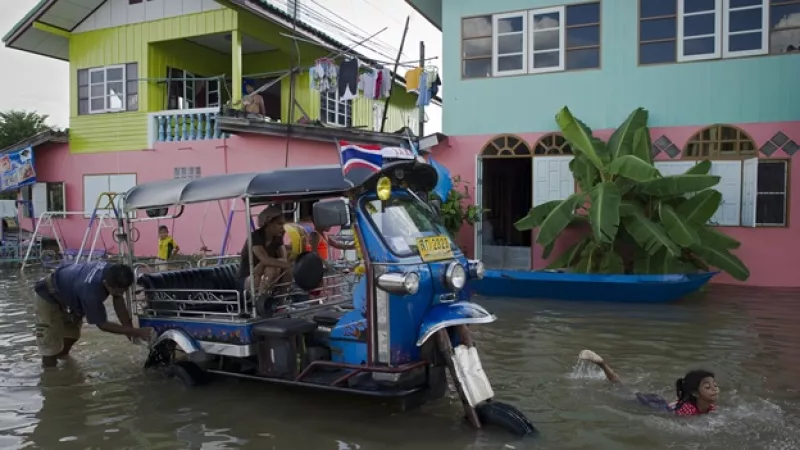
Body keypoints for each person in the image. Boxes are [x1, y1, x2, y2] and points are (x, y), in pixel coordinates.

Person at [33, 261, 152, 367]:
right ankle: (50, 376)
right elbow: (102, 325)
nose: (120, 293)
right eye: (116, 290)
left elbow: (118, 300)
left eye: (123, 290)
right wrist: (136, 331)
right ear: (106, 283)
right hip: (48, 295)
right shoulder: (91, 291)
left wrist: (129, 329)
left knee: (71, 335)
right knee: (50, 346)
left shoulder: (114, 272)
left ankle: (66, 367)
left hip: (71, 297)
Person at [578, 349, 718, 416]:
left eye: (715, 385)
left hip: (660, 401)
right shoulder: (688, 410)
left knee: (626, 388)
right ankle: (601, 364)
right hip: (651, 404)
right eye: (708, 387)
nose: (714, 389)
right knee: (622, 389)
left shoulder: (710, 407)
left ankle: (603, 366)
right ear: (695, 392)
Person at [239, 205, 292, 294]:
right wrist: (288, 264)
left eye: (283, 224)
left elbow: (283, 259)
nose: (282, 227)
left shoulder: (277, 238)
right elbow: (265, 260)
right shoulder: (255, 237)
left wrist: (287, 264)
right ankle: (261, 301)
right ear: (268, 223)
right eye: (279, 224)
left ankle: (281, 302)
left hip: (265, 275)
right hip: (248, 278)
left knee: (280, 268)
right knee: (272, 268)